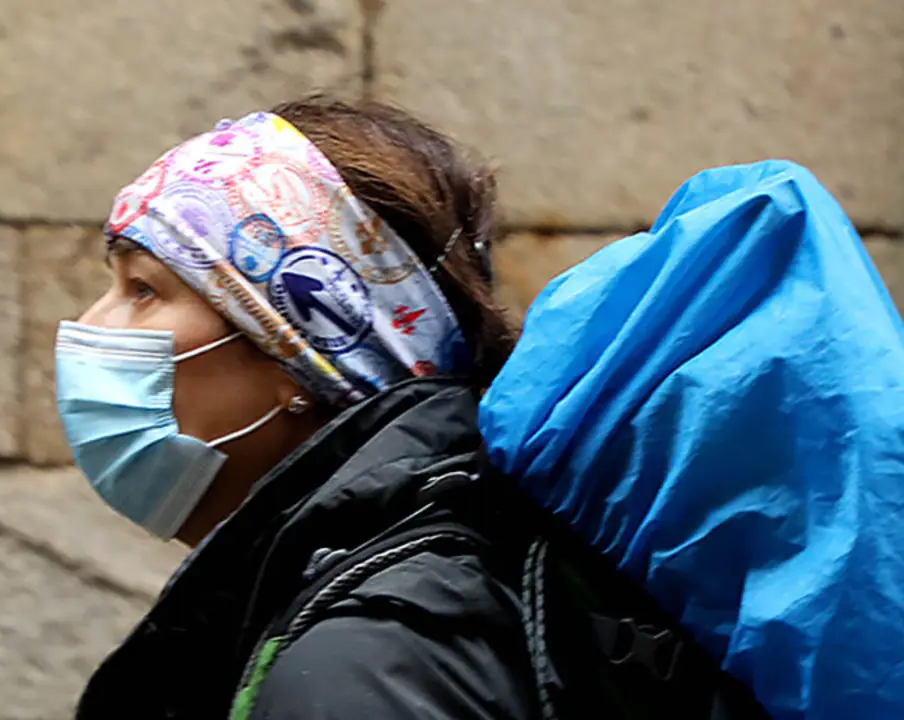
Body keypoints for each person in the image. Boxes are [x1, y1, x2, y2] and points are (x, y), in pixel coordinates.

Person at [58, 94, 771, 719]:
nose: (90, 324)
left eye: (144, 290)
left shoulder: (365, 660)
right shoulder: (390, 598)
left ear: (297, 356)